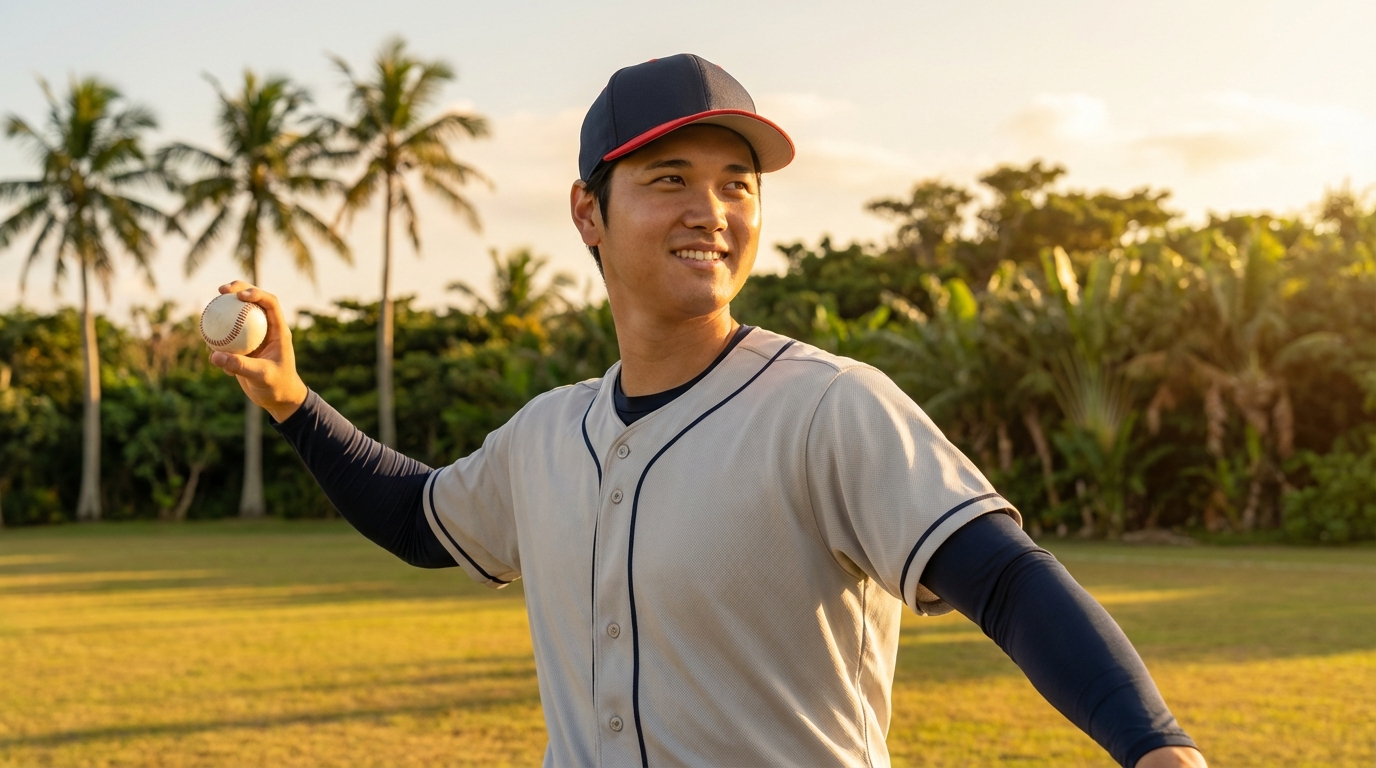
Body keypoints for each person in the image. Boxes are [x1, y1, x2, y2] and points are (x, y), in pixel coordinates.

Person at [209, 54, 1206, 768]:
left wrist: (1152, 743)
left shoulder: (828, 409)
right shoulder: (547, 434)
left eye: (737, 183)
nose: (711, 210)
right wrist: (292, 402)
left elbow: (1004, 581)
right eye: (668, 180)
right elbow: (420, 520)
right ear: (586, 213)